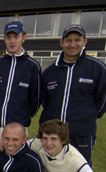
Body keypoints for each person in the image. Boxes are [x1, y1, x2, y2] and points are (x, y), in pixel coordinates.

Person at [40, 24, 106, 163]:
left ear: (85, 41)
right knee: (50, 170)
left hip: (81, 132)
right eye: (69, 40)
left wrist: (87, 116)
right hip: (52, 134)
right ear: (62, 42)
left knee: (79, 170)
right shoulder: (50, 71)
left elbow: (102, 101)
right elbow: (45, 100)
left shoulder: (97, 68)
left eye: (77, 40)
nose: (73, 44)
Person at [0, 21, 41, 141]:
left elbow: (36, 99)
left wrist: (23, 116)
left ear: (23, 38)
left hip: (17, 128)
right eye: (9, 37)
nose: (12, 41)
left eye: (16, 37)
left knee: (15, 159)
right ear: (4, 39)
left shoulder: (33, 66)